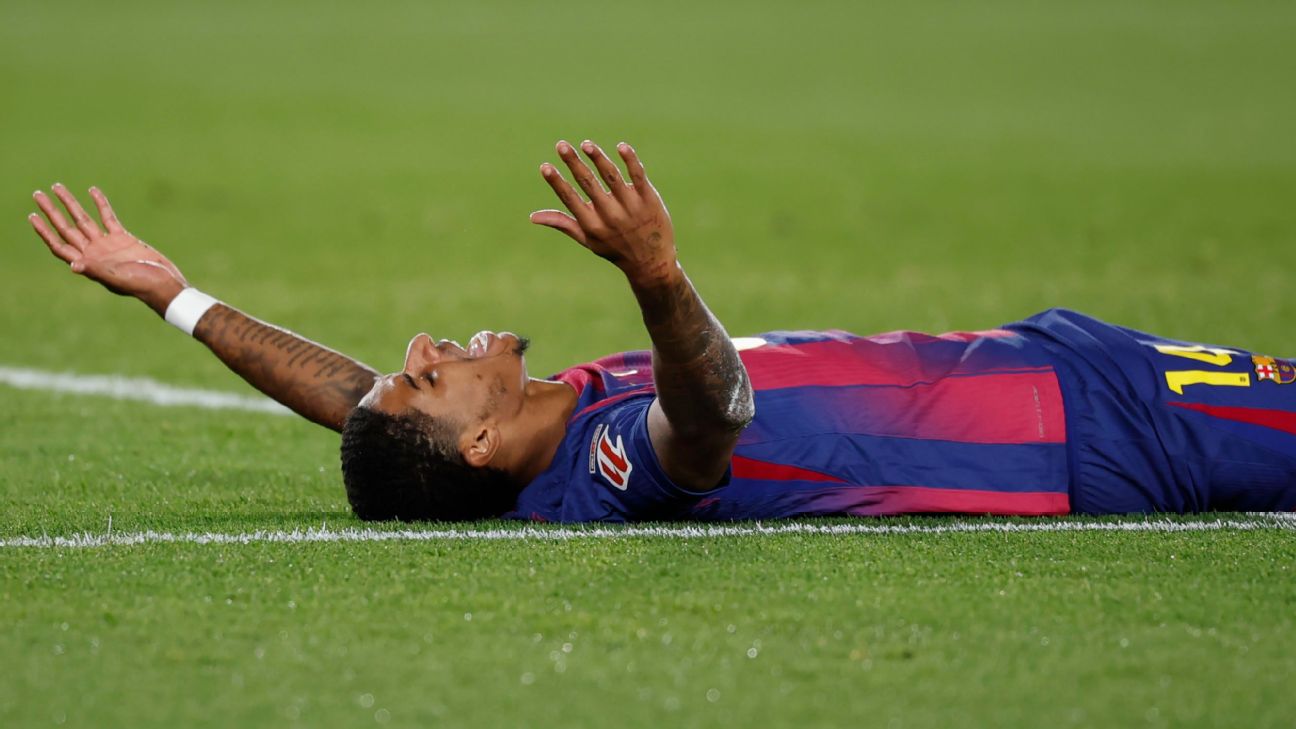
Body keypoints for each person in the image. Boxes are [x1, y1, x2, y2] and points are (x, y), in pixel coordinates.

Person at [27, 140, 1296, 523]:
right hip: (1095, 432)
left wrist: (177, 298)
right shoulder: (612, 465)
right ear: (478, 447)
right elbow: (715, 417)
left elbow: (357, 402)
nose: (414, 353)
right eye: (425, 384)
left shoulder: (515, 442)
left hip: (1049, 366)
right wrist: (655, 277)